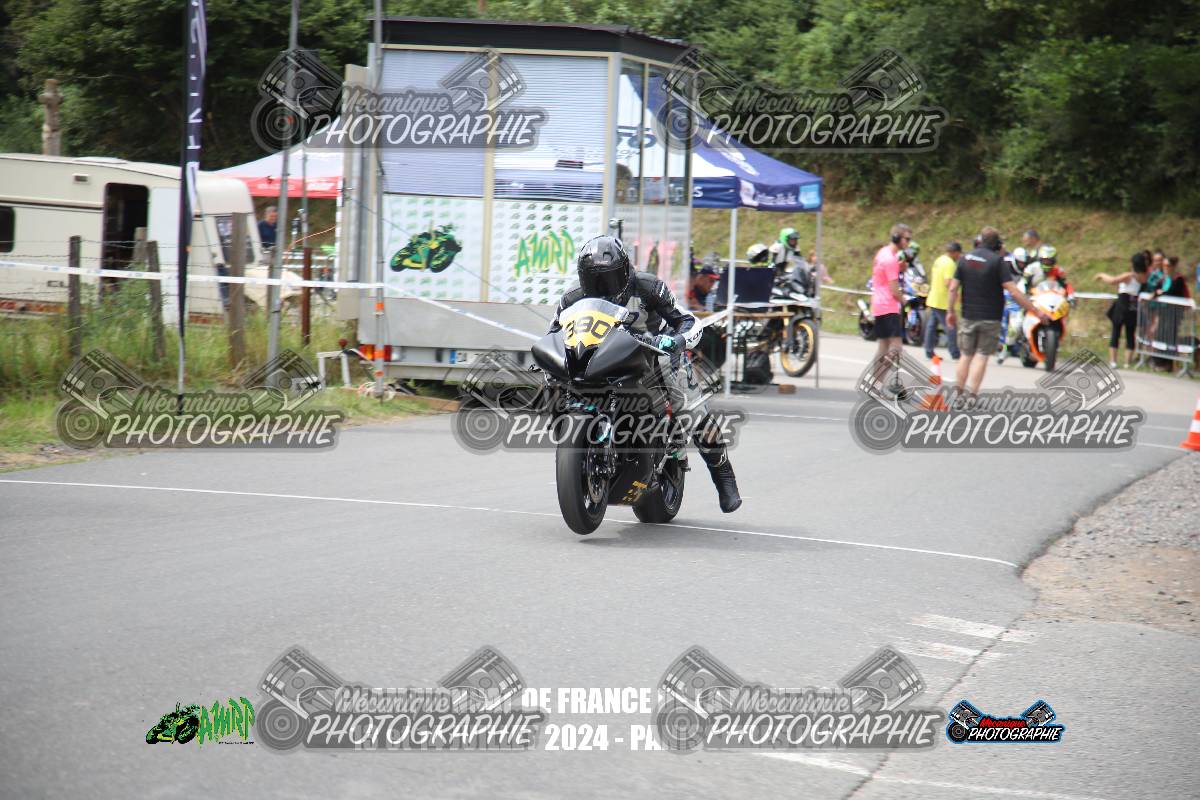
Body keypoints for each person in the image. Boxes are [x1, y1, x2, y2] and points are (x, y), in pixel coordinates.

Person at [548, 235, 742, 513]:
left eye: (608, 278)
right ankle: (578, 448)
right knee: (556, 379)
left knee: (691, 410)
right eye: (594, 279)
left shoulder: (648, 286)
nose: (602, 286)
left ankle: (724, 476)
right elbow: (554, 331)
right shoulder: (573, 297)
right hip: (601, 357)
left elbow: (687, 321)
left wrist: (674, 341)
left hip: (652, 354)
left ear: (624, 271)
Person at [946, 227, 1049, 398]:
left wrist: (950, 311)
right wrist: (1036, 311)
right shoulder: (997, 261)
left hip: (968, 315)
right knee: (981, 356)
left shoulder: (965, 259)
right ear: (997, 244)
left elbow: (952, 288)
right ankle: (972, 396)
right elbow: (1014, 291)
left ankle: (958, 394)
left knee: (966, 355)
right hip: (990, 317)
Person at [1095, 252, 1149, 368]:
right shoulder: (1144, 277)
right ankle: (1127, 362)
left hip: (1122, 305)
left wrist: (1101, 275)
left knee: (1116, 333)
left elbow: (1112, 280)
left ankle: (1113, 361)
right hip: (1134, 307)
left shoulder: (1129, 276)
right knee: (1130, 334)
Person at [871, 223, 910, 361]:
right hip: (888, 306)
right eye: (907, 239)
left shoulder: (882, 252)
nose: (908, 242)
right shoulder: (891, 260)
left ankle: (877, 375)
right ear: (896, 238)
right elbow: (894, 290)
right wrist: (904, 300)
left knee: (883, 346)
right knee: (896, 347)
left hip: (879, 304)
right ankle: (883, 373)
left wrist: (898, 268)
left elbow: (882, 274)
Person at [923, 241, 962, 360]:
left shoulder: (939, 260)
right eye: (959, 253)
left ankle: (929, 351)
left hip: (934, 298)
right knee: (950, 326)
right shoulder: (950, 264)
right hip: (943, 301)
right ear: (954, 253)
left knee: (931, 326)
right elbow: (948, 283)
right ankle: (955, 353)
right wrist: (957, 296)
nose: (959, 256)